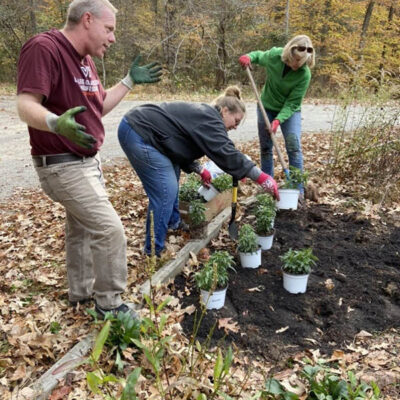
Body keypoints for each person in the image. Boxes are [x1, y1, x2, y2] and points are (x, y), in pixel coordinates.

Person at [16, 0, 162, 319]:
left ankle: (80, 294)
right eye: (108, 29)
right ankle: (110, 305)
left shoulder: (86, 62)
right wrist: (56, 123)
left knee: (81, 229)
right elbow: (25, 104)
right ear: (87, 20)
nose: (112, 38)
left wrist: (128, 81)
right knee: (110, 230)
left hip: (85, 163)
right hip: (62, 164)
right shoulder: (45, 48)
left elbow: (98, 106)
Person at [117, 86, 279, 257]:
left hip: (149, 133)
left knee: (173, 174)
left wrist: (199, 169)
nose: (236, 127)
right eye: (236, 121)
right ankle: (152, 252)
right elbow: (225, 151)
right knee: (166, 191)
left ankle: (173, 223)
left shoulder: (207, 117)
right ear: (224, 111)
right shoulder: (210, 119)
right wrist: (261, 177)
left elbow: (179, 144)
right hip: (139, 131)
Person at [239, 34, 315, 194]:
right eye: (295, 60)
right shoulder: (275, 56)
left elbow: (293, 102)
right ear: (290, 52)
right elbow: (259, 56)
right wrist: (249, 57)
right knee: (266, 148)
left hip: (290, 110)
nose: (297, 65)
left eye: (301, 63)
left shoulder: (304, 74)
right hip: (266, 106)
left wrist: (278, 120)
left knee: (294, 147)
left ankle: (297, 190)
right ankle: (268, 186)